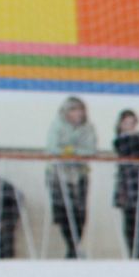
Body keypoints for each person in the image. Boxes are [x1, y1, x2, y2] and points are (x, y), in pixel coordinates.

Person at [44, 97, 96, 259]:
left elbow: (90, 150)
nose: (78, 113)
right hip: (59, 176)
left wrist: (69, 151)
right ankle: (70, 246)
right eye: (74, 110)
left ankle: (76, 246)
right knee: (63, 212)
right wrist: (72, 152)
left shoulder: (88, 128)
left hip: (79, 175)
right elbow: (53, 148)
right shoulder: (57, 126)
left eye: (80, 110)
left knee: (79, 212)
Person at [112, 110, 139, 258]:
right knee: (128, 218)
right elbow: (124, 152)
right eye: (126, 123)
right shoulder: (118, 140)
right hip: (126, 181)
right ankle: (131, 251)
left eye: (132, 122)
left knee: (138, 218)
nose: (130, 126)